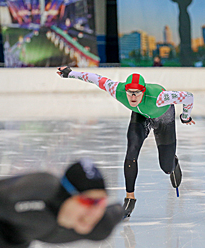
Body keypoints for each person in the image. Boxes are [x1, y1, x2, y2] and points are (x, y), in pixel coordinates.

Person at [57, 66, 195, 218]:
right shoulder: (117, 89)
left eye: (137, 93)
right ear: (125, 90)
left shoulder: (162, 97)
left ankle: (172, 163)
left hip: (164, 118)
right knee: (131, 151)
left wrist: (185, 116)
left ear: (144, 91)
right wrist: (70, 73)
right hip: (141, 116)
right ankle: (130, 197)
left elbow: (188, 97)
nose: (133, 98)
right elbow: (95, 78)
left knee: (166, 167)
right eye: (130, 93)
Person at [167, 0, 205, 66]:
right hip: (183, 16)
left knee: (186, 36)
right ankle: (185, 58)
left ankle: (187, 58)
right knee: (183, 35)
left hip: (184, 16)